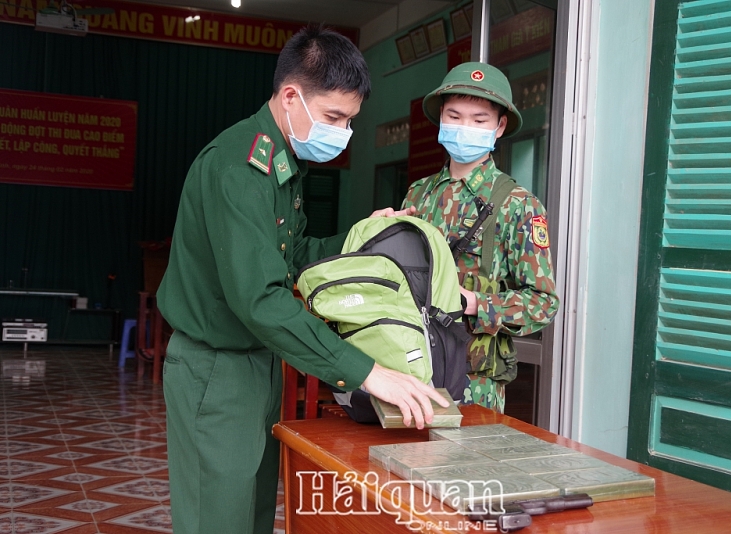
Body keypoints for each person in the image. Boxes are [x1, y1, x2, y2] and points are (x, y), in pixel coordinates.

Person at [156, 26, 448, 534]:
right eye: (334, 117)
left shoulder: (281, 160)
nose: (343, 132)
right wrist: (366, 372)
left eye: (350, 121)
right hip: (217, 372)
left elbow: (290, 260)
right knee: (216, 519)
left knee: (250, 516)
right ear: (291, 96)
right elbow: (262, 299)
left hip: (260, 362)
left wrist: (361, 239)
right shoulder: (241, 167)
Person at [402, 62, 560, 413]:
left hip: (474, 383)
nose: (464, 128)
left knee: (465, 468)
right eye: (454, 117)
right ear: (440, 118)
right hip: (410, 368)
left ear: (500, 126)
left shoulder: (518, 205)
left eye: (479, 120)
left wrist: (475, 304)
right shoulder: (418, 194)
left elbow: (543, 303)